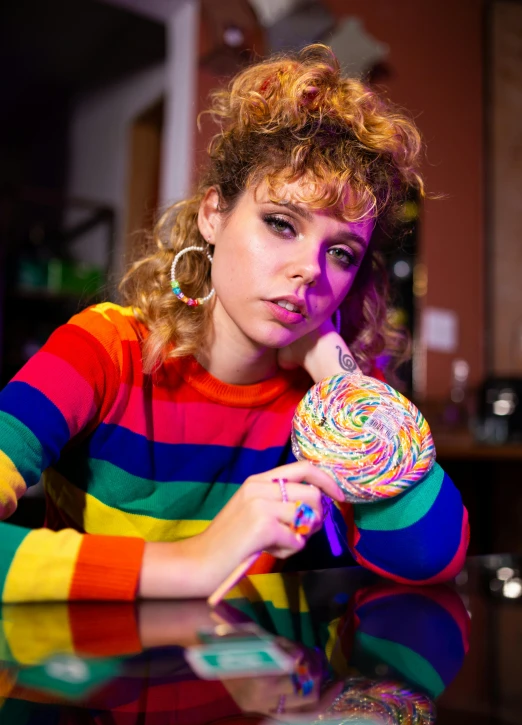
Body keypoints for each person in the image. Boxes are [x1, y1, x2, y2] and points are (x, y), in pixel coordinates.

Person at [0, 45, 468, 602]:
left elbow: (431, 559)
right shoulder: (104, 348)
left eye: (340, 253)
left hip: (261, 684)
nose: (308, 271)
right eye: (281, 224)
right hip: (101, 679)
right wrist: (192, 563)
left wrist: (340, 377)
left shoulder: (329, 413)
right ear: (213, 214)